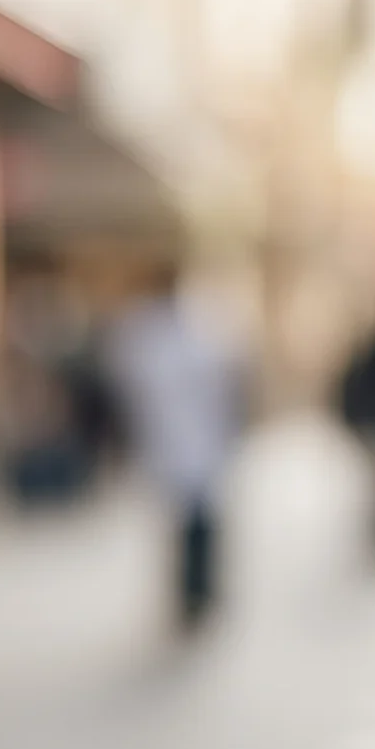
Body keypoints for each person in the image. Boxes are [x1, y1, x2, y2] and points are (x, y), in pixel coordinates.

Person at [101, 266, 241, 631]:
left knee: (200, 525)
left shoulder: (194, 330)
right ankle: (190, 595)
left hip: (195, 445)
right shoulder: (151, 335)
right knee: (184, 525)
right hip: (174, 446)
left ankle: (200, 593)